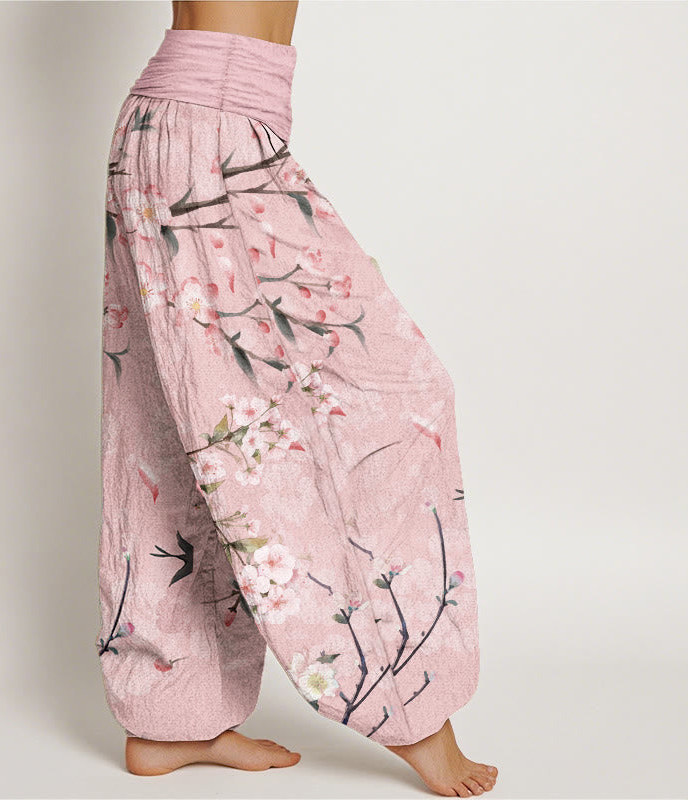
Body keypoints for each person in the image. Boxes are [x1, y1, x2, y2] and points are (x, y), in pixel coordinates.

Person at [97, 2, 499, 796]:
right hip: (205, 129)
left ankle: (171, 715)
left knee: (175, 432)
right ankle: (408, 704)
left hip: (199, 127)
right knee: (385, 403)